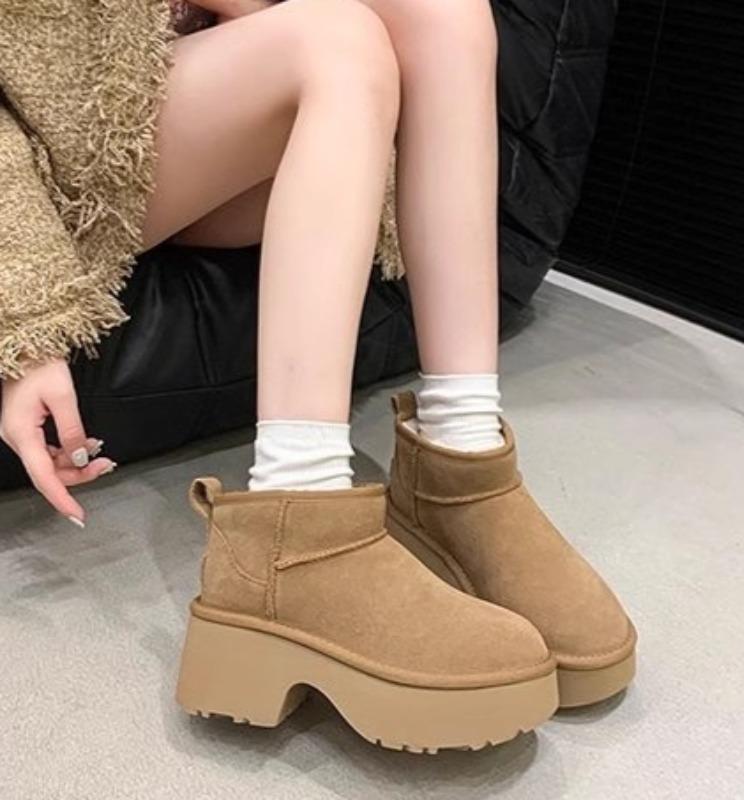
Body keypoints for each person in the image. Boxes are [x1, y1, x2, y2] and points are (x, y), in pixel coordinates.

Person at [0, 0, 636, 753]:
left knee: (444, 13)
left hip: (187, 113)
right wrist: (21, 306)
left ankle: (460, 460)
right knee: (334, 43)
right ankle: (295, 519)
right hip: (52, 160)